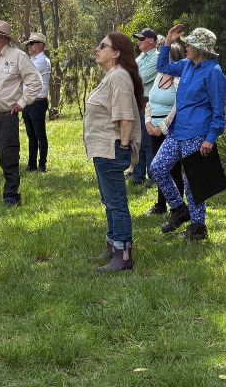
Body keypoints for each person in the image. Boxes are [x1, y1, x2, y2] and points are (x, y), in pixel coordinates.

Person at [149, 25, 226, 240]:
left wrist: (210, 138)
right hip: (177, 131)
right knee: (157, 168)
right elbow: (162, 66)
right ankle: (179, 209)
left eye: (190, 45)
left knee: (194, 181)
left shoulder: (214, 72)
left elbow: (218, 111)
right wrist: (168, 42)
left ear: (202, 49)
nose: (186, 48)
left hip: (197, 134)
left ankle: (198, 227)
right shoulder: (186, 65)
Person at [84, 32, 145, 272]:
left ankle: (123, 255)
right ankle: (112, 246)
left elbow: (125, 117)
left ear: (116, 53)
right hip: (103, 149)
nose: (97, 49)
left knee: (116, 202)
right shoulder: (112, 76)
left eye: (103, 45)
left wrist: (123, 147)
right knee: (109, 201)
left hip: (112, 149)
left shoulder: (119, 77)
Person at [0, 19, 43, 206]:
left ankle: (11, 196)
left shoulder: (18, 56)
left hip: (7, 117)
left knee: (9, 157)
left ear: (3, 38)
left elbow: (35, 82)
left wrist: (22, 103)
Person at [141, 41, 186, 216]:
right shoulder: (159, 76)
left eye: (163, 56)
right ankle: (160, 205)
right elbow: (150, 100)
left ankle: (177, 208)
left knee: (173, 170)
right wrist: (148, 122)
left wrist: (162, 127)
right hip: (153, 128)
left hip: (170, 129)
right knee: (158, 167)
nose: (160, 59)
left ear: (172, 58)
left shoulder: (179, 79)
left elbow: (178, 106)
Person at [129, 28, 159, 185]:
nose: (138, 41)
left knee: (147, 141)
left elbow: (141, 78)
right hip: (137, 101)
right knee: (136, 139)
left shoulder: (157, 58)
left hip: (148, 102)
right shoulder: (141, 57)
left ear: (151, 41)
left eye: (142, 39)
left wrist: (130, 75)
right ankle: (137, 176)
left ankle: (152, 176)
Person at [22, 32, 52, 172]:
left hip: (37, 102)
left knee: (39, 135)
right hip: (28, 102)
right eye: (29, 43)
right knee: (31, 135)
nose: (29, 46)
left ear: (40, 45)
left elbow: (24, 73)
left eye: (32, 43)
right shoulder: (33, 60)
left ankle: (42, 165)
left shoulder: (42, 61)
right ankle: (32, 164)